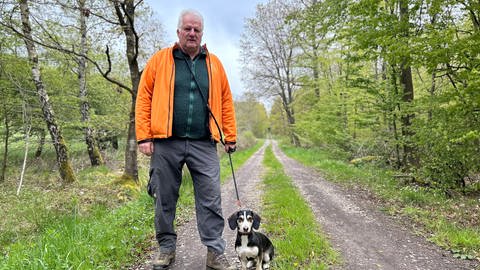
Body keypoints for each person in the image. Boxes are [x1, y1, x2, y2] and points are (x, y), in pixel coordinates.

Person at [135, 8, 237, 270]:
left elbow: (225, 101)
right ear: (178, 31)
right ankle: (166, 247)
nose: (192, 33)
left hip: (204, 142)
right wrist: (144, 136)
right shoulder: (160, 60)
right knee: (164, 196)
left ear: (202, 34)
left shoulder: (214, 64)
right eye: (188, 29)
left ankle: (214, 252)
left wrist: (230, 136)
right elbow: (144, 97)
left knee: (211, 197)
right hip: (166, 142)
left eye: (197, 30)